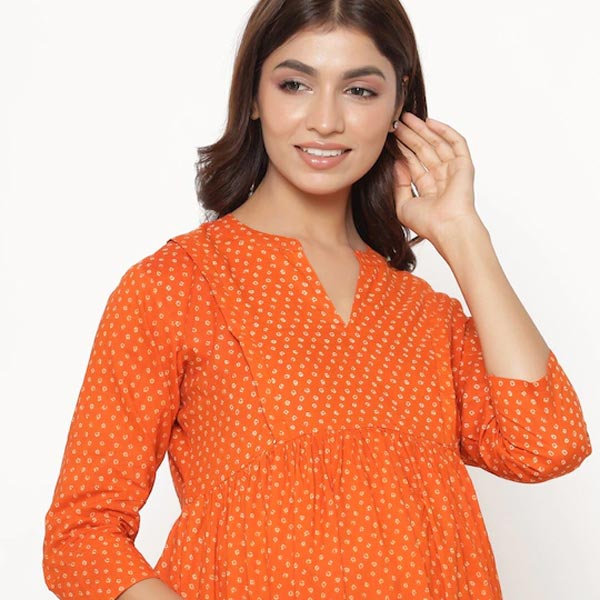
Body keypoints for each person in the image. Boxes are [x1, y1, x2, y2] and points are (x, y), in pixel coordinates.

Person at [42, 1, 592, 599]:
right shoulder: (176, 285)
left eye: (359, 90)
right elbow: (82, 533)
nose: (325, 120)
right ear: (254, 95)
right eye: (295, 84)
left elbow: (548, 444)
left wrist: (462, 234)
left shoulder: (425, 314)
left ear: (398, 107)